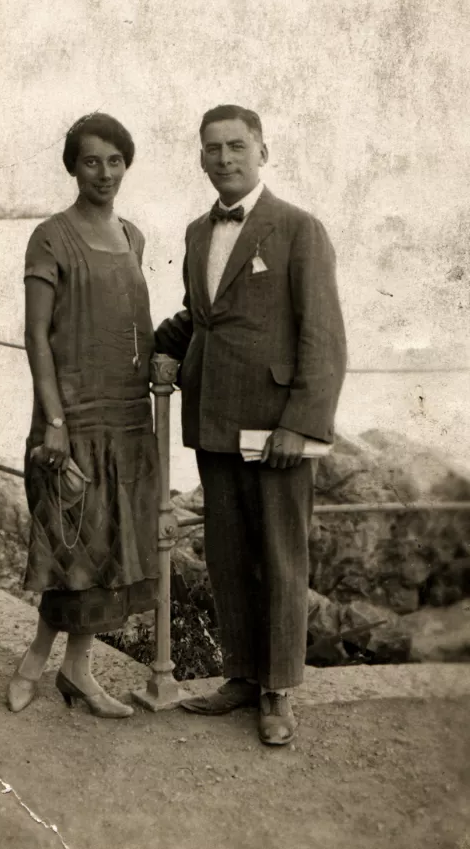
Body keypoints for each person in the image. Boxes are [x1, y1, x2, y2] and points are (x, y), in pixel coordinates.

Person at [155, 104, 347, 745]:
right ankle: (240, 676)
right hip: (213, 417)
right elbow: (200, 314)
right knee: (229, 556)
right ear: (201, 158)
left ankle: (278, 691)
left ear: (263, 151)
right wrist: (164, 347)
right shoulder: (193, 232)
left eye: (237, 146)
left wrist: (301, 423)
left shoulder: (299, 229)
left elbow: (324, 336)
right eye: (212, 149)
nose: (224, 159)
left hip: (275, 427)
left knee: (281, 559)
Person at [7, 113, 159, 719]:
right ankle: (34, 664)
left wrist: (163, 364)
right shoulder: (50, 236)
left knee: (108, 551)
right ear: (73, 166)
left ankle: (78, 670)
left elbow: (131, 324)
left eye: (115, 160)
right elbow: (36, 335)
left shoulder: (134, 236)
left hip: (127, 415)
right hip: (69, 418)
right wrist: (54, 420)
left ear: (127, 164)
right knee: (66, 547)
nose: (105, 173)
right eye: (92, 161)